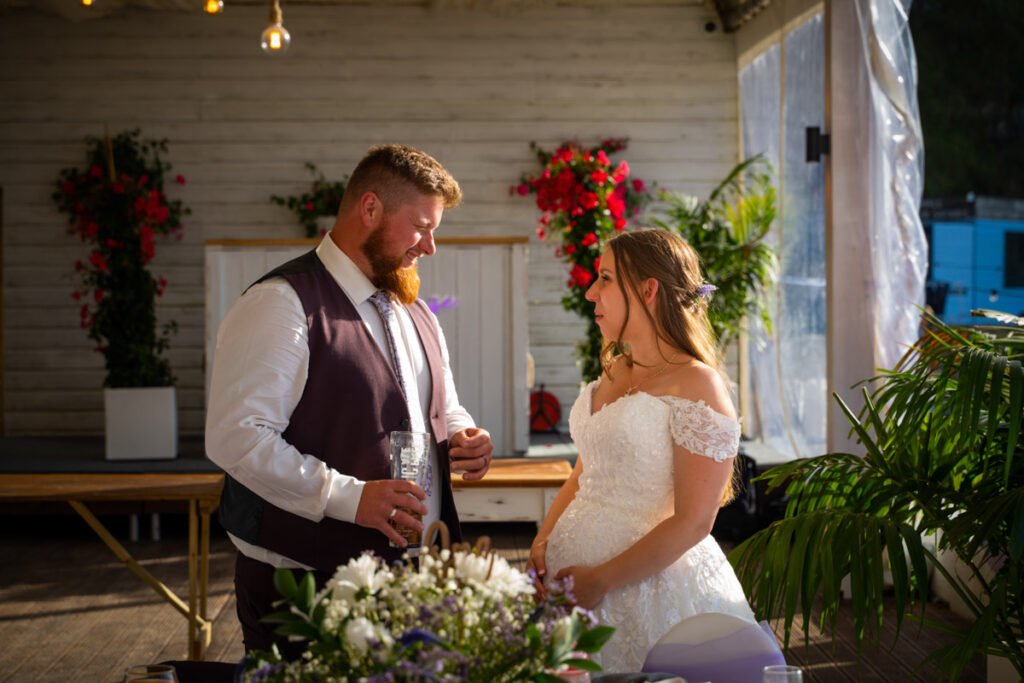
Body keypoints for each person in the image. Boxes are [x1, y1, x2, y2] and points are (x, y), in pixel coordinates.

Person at [206, 143, 494, 657]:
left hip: (410, 576)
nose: (430, 247)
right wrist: (349, 497)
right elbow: (237, 437)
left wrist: (463, 433)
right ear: (370, 209)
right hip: (302, 585)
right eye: (422, 227)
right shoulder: (282, 302)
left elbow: (437, 406)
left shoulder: (415, 311)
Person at [526, 229, 756, 672]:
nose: (592, 291)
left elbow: (693, 521)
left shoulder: (698, 385)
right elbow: (584, 472)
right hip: (572, 593)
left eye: (606, 278)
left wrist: (600, 580)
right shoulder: (613, 370)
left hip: (647, 595)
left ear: (648, 290)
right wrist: (543, 539)